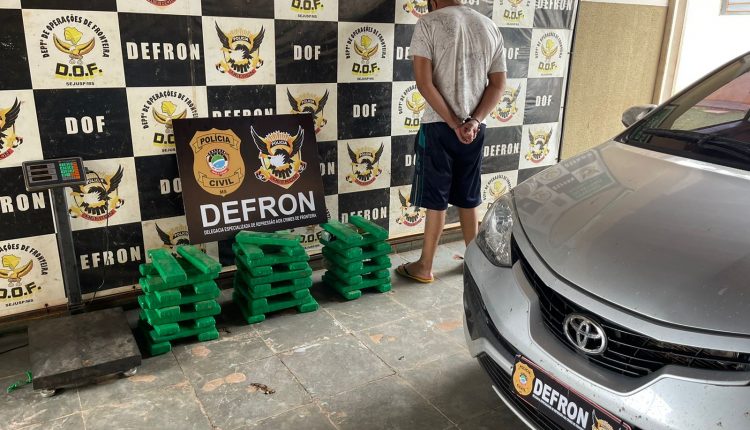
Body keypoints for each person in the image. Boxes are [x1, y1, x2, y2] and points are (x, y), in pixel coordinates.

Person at [396, 0, 507, 283]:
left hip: (439, 126)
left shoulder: (428, 23)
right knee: (469, 197)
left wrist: (453, 122)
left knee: (436, 201)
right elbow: (497, 84)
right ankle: (474, 262)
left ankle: (424, 267)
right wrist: (473, 121)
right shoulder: (489, 25)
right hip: (475, 129)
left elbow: (424, 83)